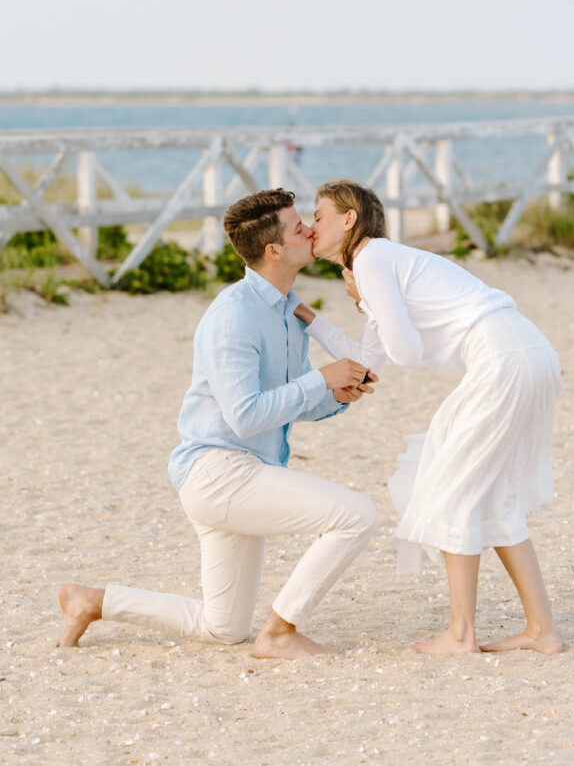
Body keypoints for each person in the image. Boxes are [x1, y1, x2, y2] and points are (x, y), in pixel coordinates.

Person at [58, 188, 378, 660]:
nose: (310, 229)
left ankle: (93, 601)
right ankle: (281, 633)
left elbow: (284, 403)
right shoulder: (234, 314)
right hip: (219, 471)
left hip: (245, 471)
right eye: (298, 227)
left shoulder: (288, 313)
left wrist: (336, 395)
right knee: (356, 516)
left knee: (222, 626)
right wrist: (320, 380)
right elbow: (246, 415)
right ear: (274, 250)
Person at [294, 179, 562, 656]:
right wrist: (311, 318)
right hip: (522, 350)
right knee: (489, 492)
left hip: (503, 354)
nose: (311, 226)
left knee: (452, 485)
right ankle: (540, 629)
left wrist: (367, 299)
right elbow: (370, 358)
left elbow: (406, 352)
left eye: (318, 216)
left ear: (349, 220)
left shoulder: (373, 257)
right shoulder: (377, 266)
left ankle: (461, 635)